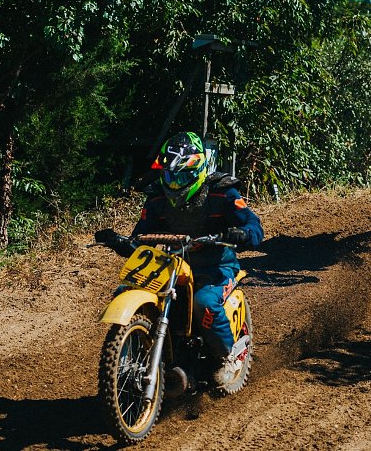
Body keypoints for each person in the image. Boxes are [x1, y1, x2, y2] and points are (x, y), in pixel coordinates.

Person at [96, 131, 263, 383]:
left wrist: (242, 234)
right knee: (124, 290)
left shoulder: (222, 192)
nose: (175, 183)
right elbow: (139, 240)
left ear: (198, 170)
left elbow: (254, 226)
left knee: (204, 303)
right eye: (170, 175)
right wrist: (118, 241)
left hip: (215, 266)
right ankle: (133, 357)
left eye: (182, 175)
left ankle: (227, 356)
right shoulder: (157, 198)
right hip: (171, 264)